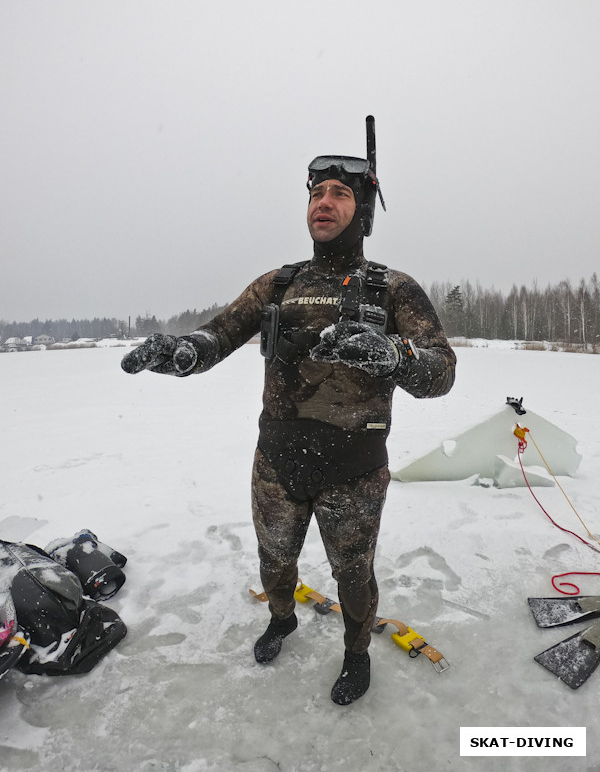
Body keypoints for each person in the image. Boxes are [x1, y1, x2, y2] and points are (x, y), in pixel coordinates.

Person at [121, 117, 456, 705]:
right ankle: (282, 618)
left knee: (353, 576)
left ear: (365, 210)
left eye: (340, 193)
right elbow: (218, 334)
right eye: (316, 194)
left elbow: (441, 371)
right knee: (273, 560)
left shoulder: (392, 289)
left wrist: (391, 354)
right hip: (276, 460)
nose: (323, 203)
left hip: (353, 467)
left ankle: (356, 652)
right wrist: (183, 351)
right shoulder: (278, 284)